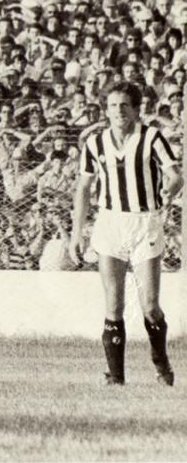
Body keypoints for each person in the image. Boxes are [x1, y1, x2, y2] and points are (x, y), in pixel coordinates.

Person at [69, 81, 183, 386]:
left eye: (124, 105)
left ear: (136, 109)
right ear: (105, 110)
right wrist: (76, 234)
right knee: (114, 304)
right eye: (113, 105)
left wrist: (170, 189)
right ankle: (116, 377)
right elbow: (83, 188)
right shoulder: (95, 143)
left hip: (144, 222)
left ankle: (160, 364)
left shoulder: (152, 139)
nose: (119, 111)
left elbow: (175, 175)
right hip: (110, 223)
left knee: (150, 306)